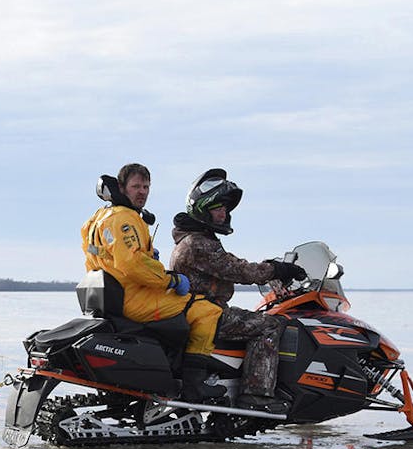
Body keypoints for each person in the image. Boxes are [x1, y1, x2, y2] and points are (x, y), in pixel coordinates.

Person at [168, 168, 307, 414]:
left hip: (202, 311)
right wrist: (276, 269)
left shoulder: (196, 239)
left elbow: (234, 265)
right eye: (218, 208)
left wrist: (271, 269)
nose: (224, 213)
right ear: (203, 208)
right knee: (270, 325)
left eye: (225, 208)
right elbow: (239, 271)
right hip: (207, 314)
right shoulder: (197, 244)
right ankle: (256, 395)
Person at [81, 163, 224, 400]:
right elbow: (132, 264)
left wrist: (149, 258)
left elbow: (111, 258)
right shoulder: (124, 219)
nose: (142, 192)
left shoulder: (98, 218)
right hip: (135, 297)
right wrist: (170, 279)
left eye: (146, 186)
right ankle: (194, 385)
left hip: (116, 296)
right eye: (136, 186)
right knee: (207, 311)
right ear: (121, 187)